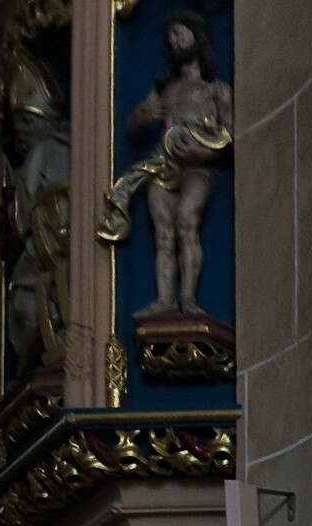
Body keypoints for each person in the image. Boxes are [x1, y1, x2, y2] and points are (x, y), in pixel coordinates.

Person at [123, 12, 232, 316]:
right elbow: (132, 128)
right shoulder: (164, 90)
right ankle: (164, 299)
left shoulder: (215, 90)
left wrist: (203, 154)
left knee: (186, 220)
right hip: (164, 165)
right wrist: (142, 117)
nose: (175, 41)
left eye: (181, 34)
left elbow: (230, 137)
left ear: (197, 38)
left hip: (198, 168)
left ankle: (188, 298)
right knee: (163, 234)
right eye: (171, 36)